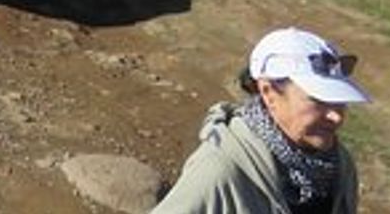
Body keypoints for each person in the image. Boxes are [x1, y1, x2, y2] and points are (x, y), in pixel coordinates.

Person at [153, 27, 367, 214]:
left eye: (340, 100)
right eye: (318, 100)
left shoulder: (339, 165)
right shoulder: (219, 172)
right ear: (268, 92)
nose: (336, 116)